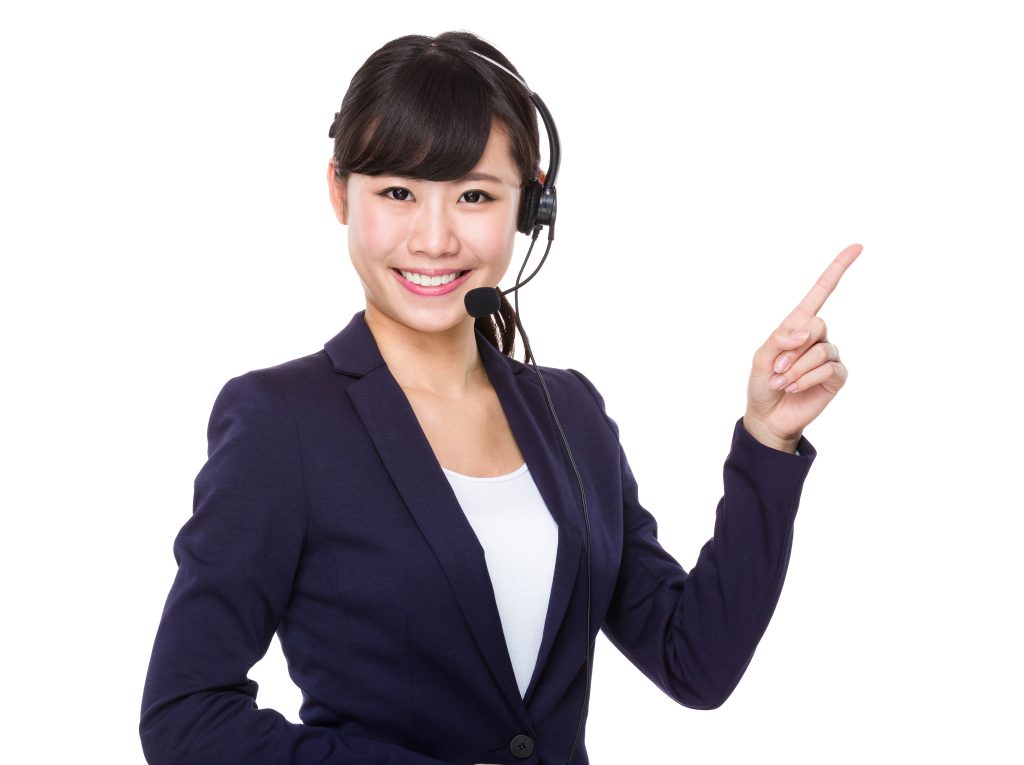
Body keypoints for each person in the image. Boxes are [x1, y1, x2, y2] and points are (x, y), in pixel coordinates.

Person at [140, 30, 860, 765]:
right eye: (397, 192)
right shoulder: (280, 422)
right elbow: (185, 715)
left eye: (475, 195)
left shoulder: (571, 413)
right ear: (338, 190)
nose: (434, 237)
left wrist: (766, 440)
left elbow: (694, 661)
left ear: (529, 205)